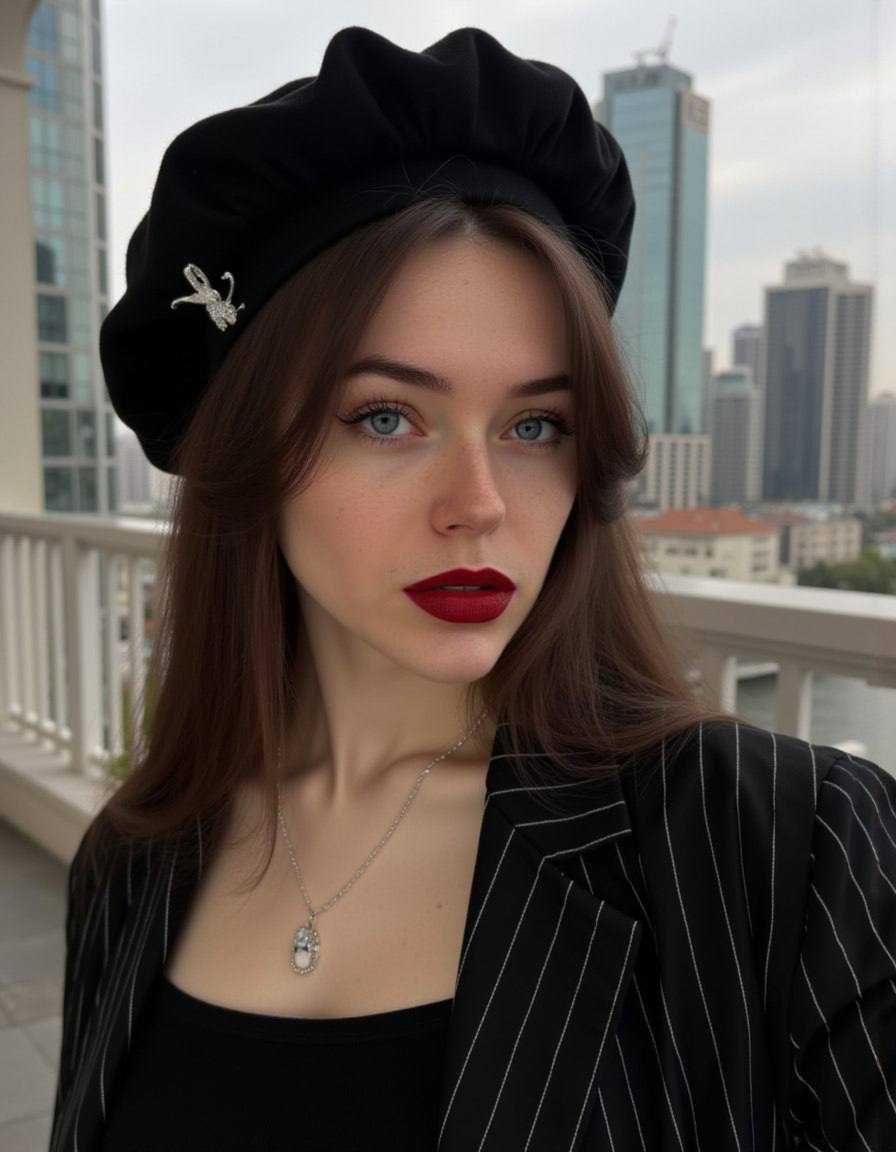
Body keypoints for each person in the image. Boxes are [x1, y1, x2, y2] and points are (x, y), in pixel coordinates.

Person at [49, 25, 895, 1152]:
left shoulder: (788, 847)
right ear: (248, 456)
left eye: (535, 425)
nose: (480, 504)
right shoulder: (132, 862)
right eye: (385, 417)